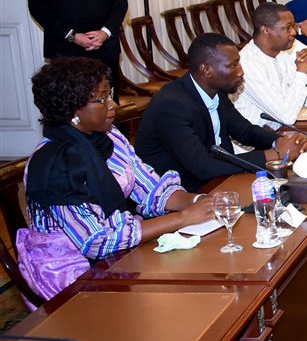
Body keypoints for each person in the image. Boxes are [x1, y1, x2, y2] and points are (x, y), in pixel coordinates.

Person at [18, 57, 217, 302]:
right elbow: (95, 241)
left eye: (109, 95)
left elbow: (150, 189)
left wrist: (201, 201)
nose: (112, 105)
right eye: (101, 99)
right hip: (72, 269)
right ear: (74, 110)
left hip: (117, 245)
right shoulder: (55, 165)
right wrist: (184, 218)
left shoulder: (109, 137)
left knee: (201, 271)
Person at [135, 33, 307, 191]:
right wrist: (274, 154)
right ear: (206, 70)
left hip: (218, 181)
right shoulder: (171, 106)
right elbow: (203, 166)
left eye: (238, 62)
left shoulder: (216, 91)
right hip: (179, 195)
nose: (241, 71)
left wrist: (281, 141)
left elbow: (245, 131)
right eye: (232, 65)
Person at [233, 2, 307, 129]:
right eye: (288, 27)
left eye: (293, 26)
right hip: (256, 140)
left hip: (281, 132)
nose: (294, 32)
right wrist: (301, 71)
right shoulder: (248, 65)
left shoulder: (281, 54)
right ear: (266, 30)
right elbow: (287, 117)